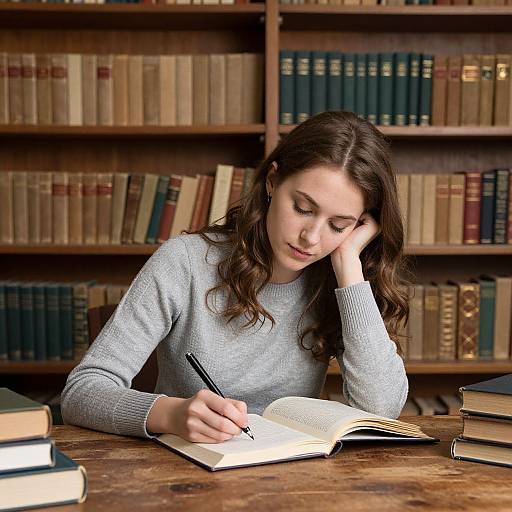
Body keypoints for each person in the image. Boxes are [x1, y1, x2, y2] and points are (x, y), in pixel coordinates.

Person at [61, 111, 410, 444]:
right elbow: (82, 391)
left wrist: (348, 266)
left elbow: (380, 409)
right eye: (302, 208)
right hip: (187, 473)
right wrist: (171, 414)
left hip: (292, 479)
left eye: (339, 225)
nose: (312, 238)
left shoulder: (334, 279)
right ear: (273, 181)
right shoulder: (185, 262)